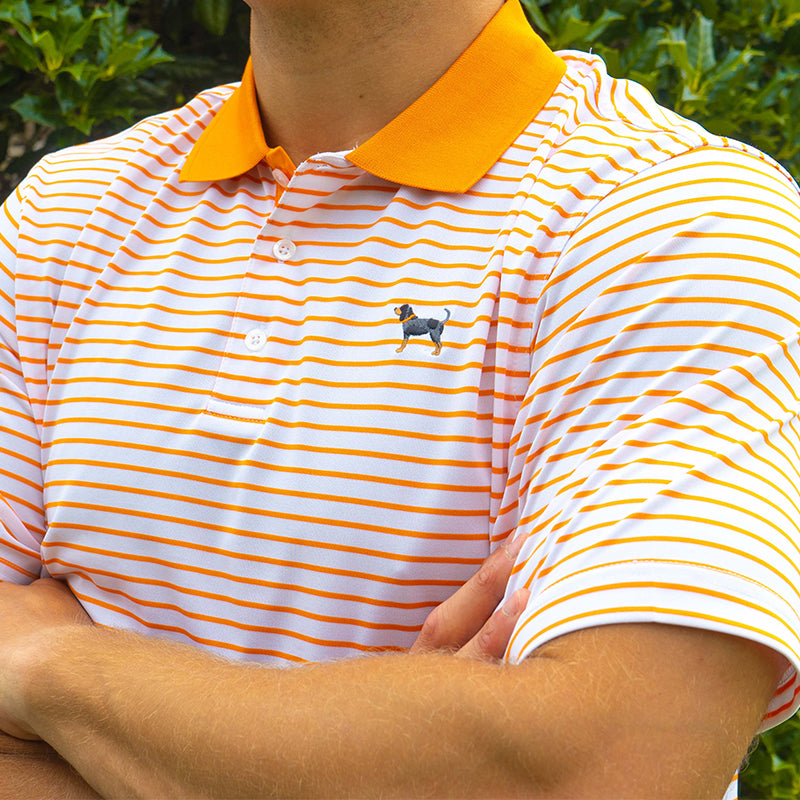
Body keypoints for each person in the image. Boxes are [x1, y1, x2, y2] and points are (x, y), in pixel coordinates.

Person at [1, 0, 799, 797]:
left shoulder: (681, 225)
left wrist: (49, 669)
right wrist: (401, 758)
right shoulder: (62, 216)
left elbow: (608, 771)